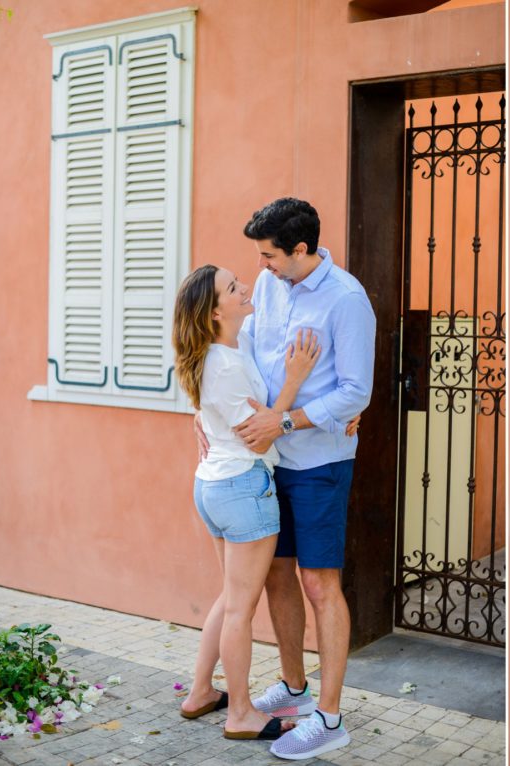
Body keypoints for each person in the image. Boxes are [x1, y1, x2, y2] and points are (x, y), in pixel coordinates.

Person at [193, 198, 376, 760]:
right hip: (261, 466)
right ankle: (294, 690)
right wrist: (212, 415)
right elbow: (239, 353)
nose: (262, 267)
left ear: (301, 249)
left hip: (319, 461)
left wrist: (287, 419)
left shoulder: (347, 300)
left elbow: (356, 391)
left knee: (320, 584)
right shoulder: (271, 288)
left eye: (270, 255)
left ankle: (329, 716)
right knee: (275, 578)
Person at [173, 264, 320, 741]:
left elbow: (246, 418)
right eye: (233, 287)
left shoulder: (219, 354)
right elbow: (259, 439)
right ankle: (241, 713)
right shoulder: (227, 364)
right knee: (241, 608)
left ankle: (200, 692)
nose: (245, 287)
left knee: (230, 597)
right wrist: (296, 380)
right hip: (242, 486)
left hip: (213, 485)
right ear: (215, 311)